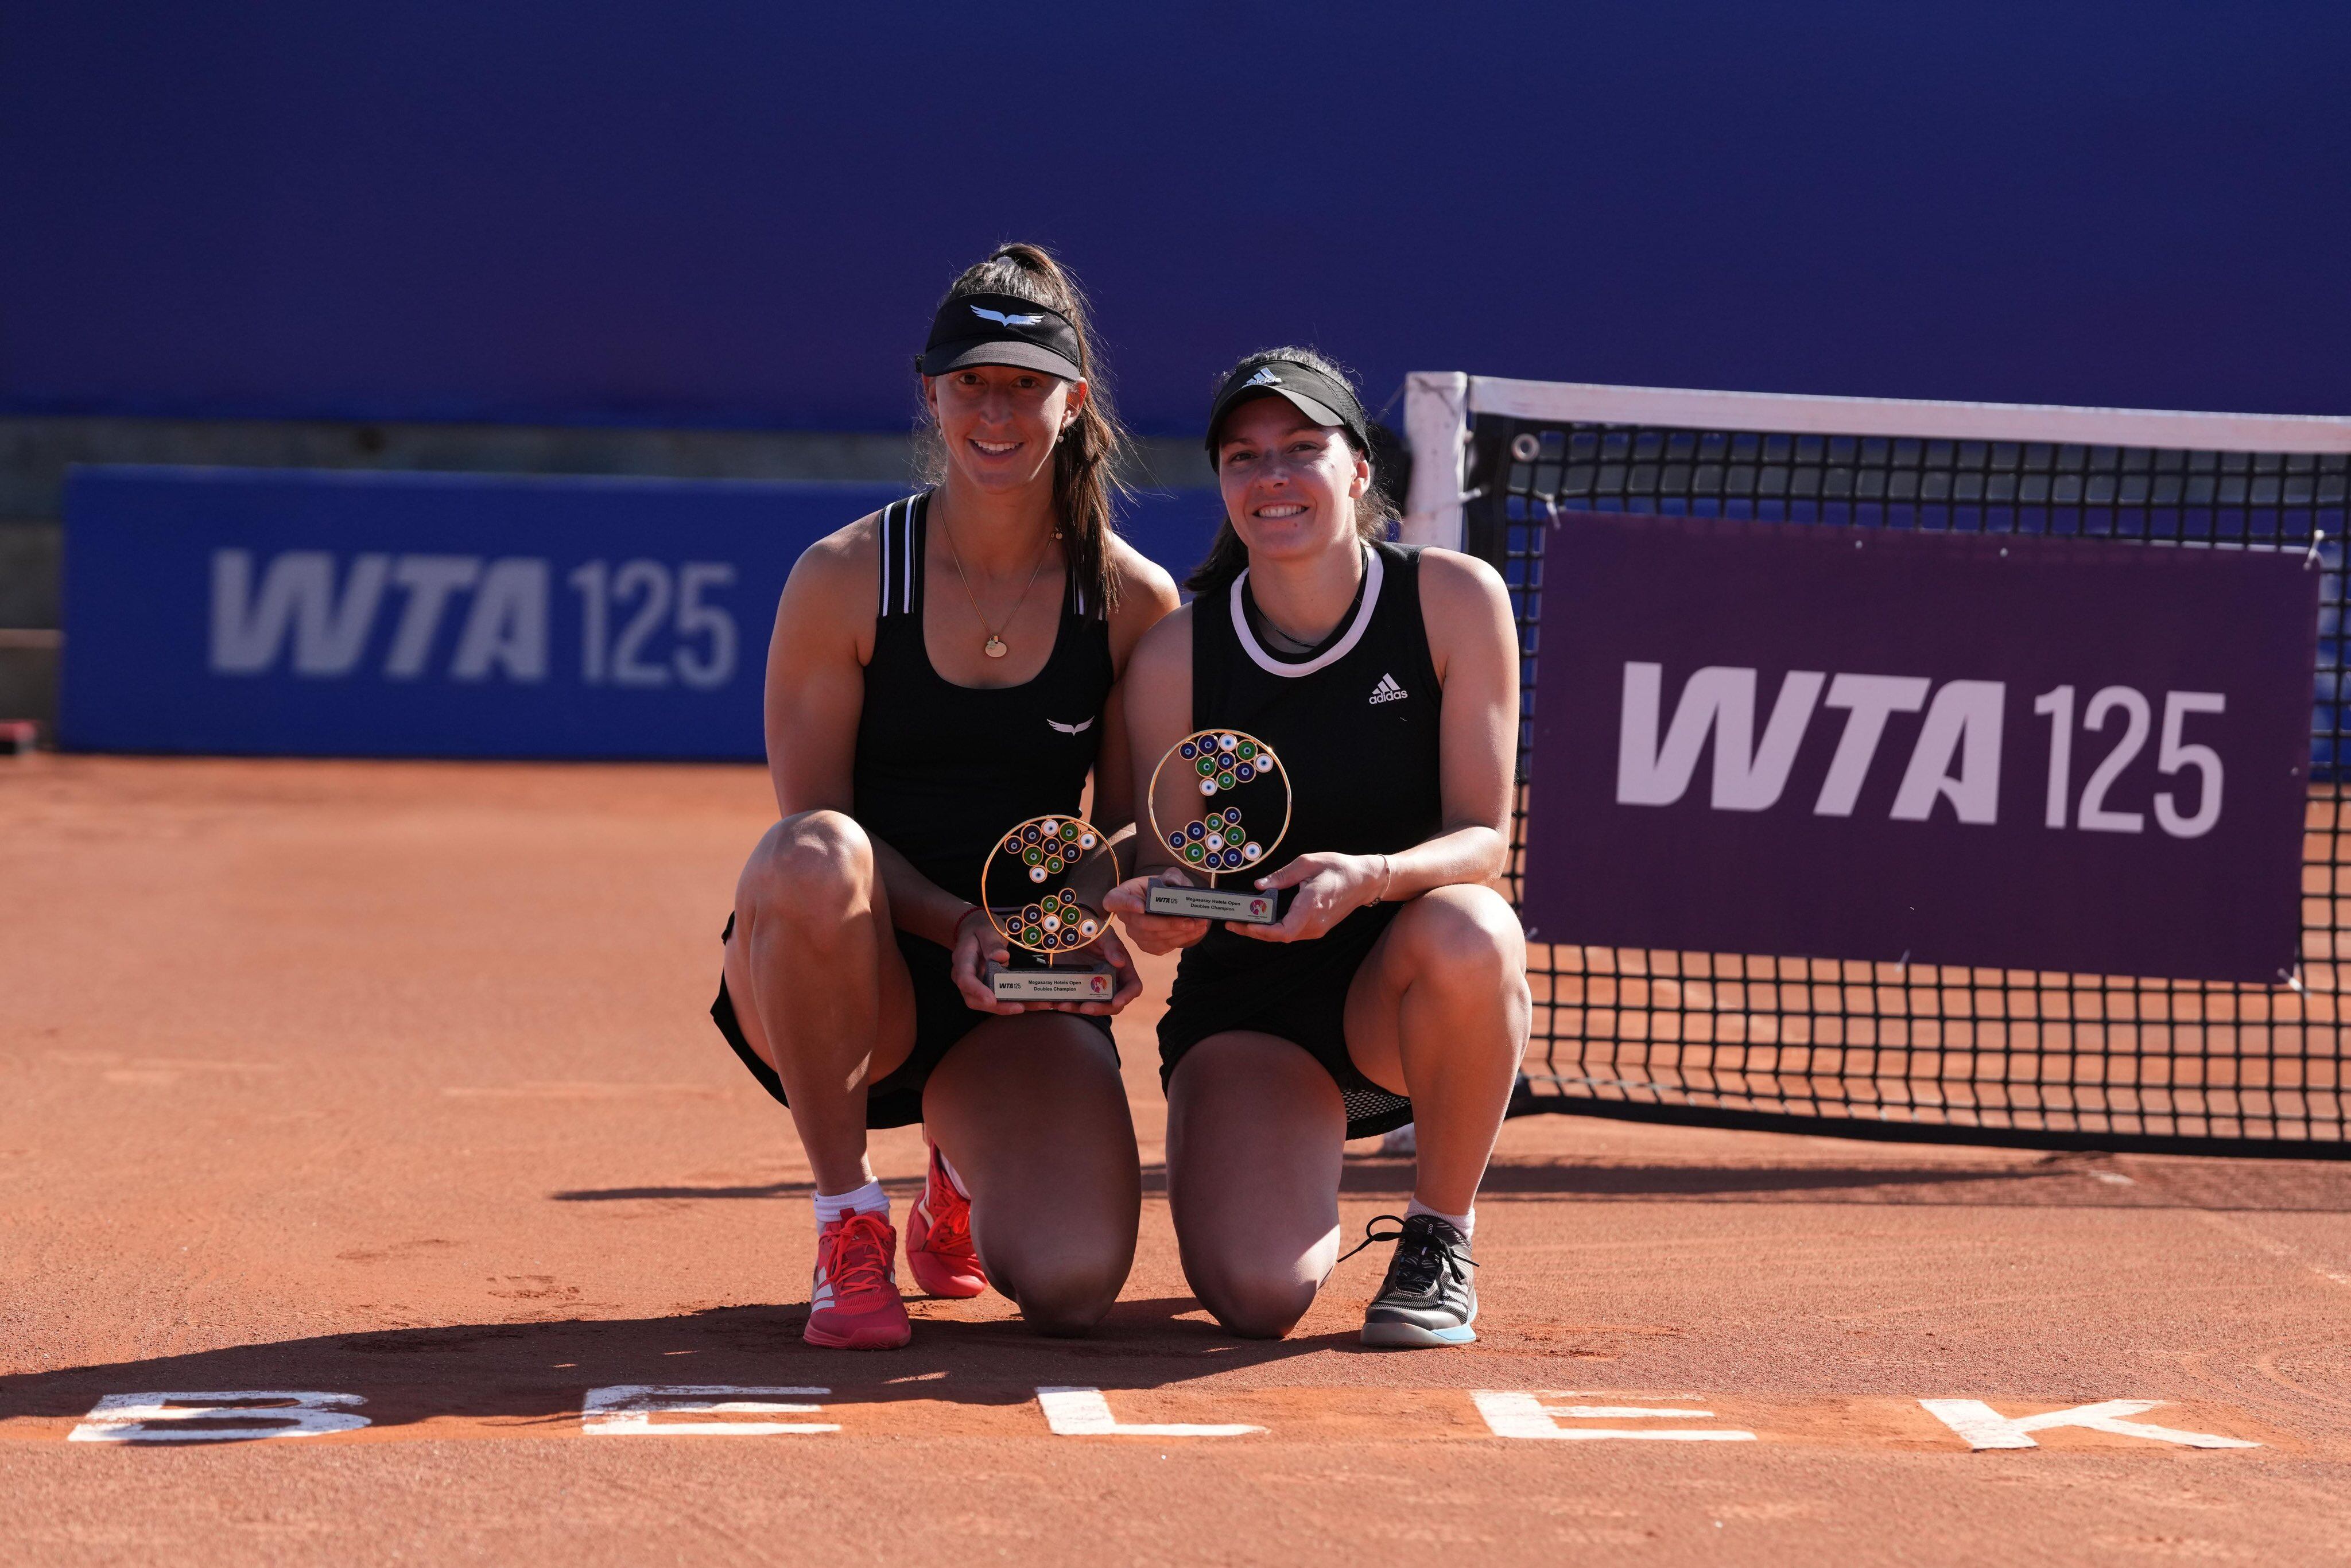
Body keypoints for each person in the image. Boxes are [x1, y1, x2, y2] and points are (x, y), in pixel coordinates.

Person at [716, 244, 1180, 1348]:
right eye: (973, 380)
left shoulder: (1133, 600)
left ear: (1072, 401)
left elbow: (1122, 828)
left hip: (1016, 981)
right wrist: (954, 922)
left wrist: (1098, 918)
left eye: (1026, 383)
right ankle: (847, 1219)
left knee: (1071, 1286)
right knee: (814, 854)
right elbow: (813, 832)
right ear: (931, 392)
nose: (997, 409)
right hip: (850, 966)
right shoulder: (842, 576)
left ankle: (956, 1181)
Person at [1106, 349, 1528, 1347]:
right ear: (1222, 483)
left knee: (1474, 926)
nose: (1273, 478)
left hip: (1393, 992)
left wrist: (1371, 879)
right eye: (1244, 458)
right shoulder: (1177, 654)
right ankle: (1279, 1157)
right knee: (1258, 1299)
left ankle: (1439, 1231)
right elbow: (1162, 861)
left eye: (1303, 449)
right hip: (1249, 1015)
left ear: (1358, 470)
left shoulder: (1454, 601)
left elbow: (1483, 839)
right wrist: (1156, 907)